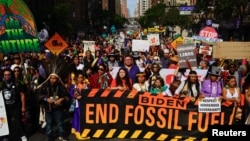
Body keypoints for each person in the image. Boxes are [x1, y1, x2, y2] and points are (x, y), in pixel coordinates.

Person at [38, 74, 69, 141]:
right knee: (49, 124)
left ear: (57, 79)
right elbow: (39, 96)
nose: (52, 80)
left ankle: (61, 135)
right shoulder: (45, 87)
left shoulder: (60, 87)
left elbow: (67, 96)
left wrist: (61, 99)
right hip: (48, 109)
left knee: (59, 123)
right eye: (51, 78)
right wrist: (47, 99)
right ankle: (50, 137)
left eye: (54, 78)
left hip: (58, 109)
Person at [0, 68, 28, 141]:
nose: (7, 76)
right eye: (5, 75)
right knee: (5, 123)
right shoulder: (1, 84)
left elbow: (22, 95)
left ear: (11, 75)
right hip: (5, 108)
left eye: (9, 75)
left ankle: (22, 135)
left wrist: (23, 107)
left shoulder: (17, 83)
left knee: (19, 122)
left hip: (16, 106)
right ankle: (6, 136)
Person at [70, 71, 90, 139]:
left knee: (81, 117)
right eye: (79, 78)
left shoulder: (86, 85)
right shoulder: (74, 86)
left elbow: (89, 93)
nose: (80, 79)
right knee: (78, 117)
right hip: (77, 104)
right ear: (76, 78)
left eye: (82, 77)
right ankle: (79, 132)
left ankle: (77, 131)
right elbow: (71, 94)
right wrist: (75, 96)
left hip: (84, 103)